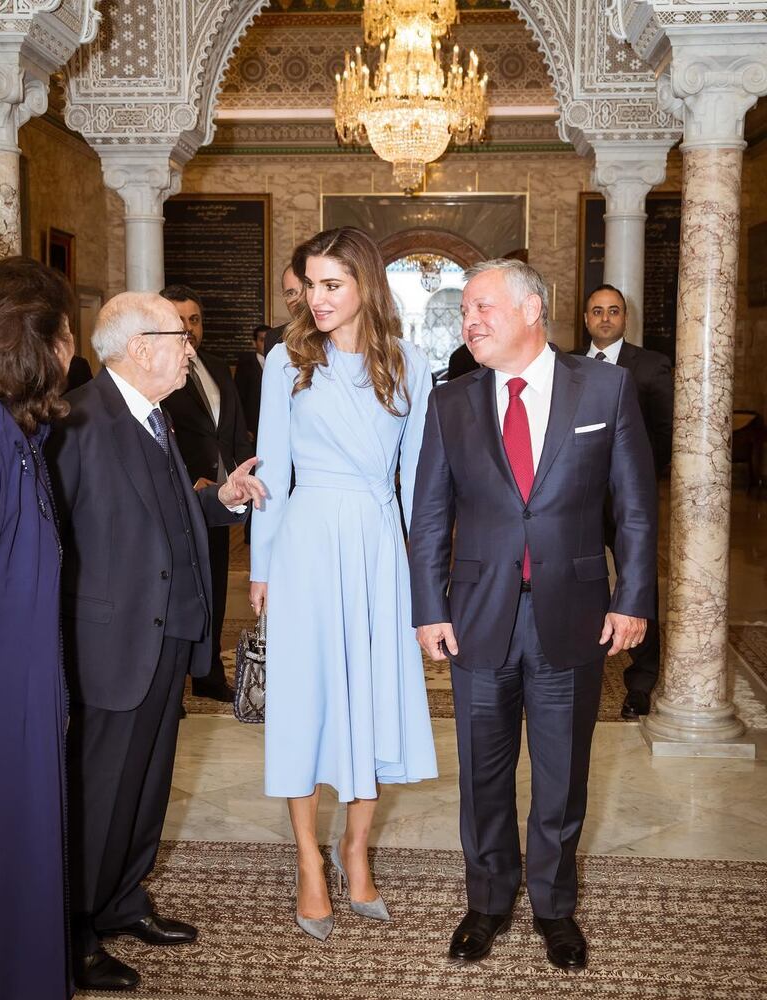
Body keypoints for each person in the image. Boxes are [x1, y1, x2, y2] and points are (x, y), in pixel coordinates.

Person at [409, 259, 657, 971]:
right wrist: (429, 607)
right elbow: (428, 517)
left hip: (572, 613)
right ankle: (486, 902)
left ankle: (554, 907)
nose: (469, 322)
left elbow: (636, 507)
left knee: (561, 774)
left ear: (531, 311)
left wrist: (632, 596)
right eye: (464, 314)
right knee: (482, 776)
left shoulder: (604, 387)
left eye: (482, 307)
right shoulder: (449, 401)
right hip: (478, 616)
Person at [47, 291, 265, 992]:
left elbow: (169, 511)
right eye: (179, 337)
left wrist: (220, 498)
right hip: (113, 647)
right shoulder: (79, 422)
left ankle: (122, 902)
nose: (190, 348)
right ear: (141, 347)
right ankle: (75, 930)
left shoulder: (154, 414)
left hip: (165, 636)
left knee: (145, 787)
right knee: (99, 793)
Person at [250, 227, 437, 942]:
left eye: (334, 285)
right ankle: (306, 861)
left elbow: (420, 482)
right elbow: (271, 471)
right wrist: (262, 568)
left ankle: (355, 850)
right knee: (306, 701)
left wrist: (428, 580)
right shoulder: (286, 361)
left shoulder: (409, 364)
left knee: (372, 696)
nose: (318, 299)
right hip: (304, 544)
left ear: (365, 286)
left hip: (379, 545)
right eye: (312, 284)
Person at [0, 257, 75, 1000]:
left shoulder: (13, 434)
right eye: (67, 329)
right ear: (37, 343)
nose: (75, 345)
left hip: (22, 706)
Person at [579, 283, 674, 718]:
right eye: (597, 311)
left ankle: (641, 680)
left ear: (625, 318)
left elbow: (666, 434)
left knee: (638, 584)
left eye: (613, 311)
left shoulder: (651, 367)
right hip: (577, 497)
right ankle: (576, 663)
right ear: (586, 319)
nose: (604, 318)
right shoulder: (567, 366)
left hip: (626, 499)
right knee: (576, 580)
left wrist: (642, 484)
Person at [160, 284, 254, 702]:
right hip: (178, 500)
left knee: (214, 587)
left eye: (194, 320)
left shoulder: (217, 367)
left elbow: (232, 432)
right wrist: (188, 479)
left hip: (221, 503)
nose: (188, 328)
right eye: (178, 320)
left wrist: (240, 478)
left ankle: (209, 675)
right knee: (176, 593)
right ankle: (171, 687)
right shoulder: (157, 371)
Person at [235, 322, 271, 440]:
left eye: (269, 340)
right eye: (262, 340)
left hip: (274, 424)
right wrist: (243, 428)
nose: (266, 344)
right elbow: (238, 397)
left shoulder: (281, 363)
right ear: (254, 342)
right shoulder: (245, 366)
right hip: (253, 428)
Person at [264, 263, 304, 356]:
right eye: (291, 293)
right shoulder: (274, 338)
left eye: (304, 290)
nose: (298, 300)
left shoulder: (337, 333)